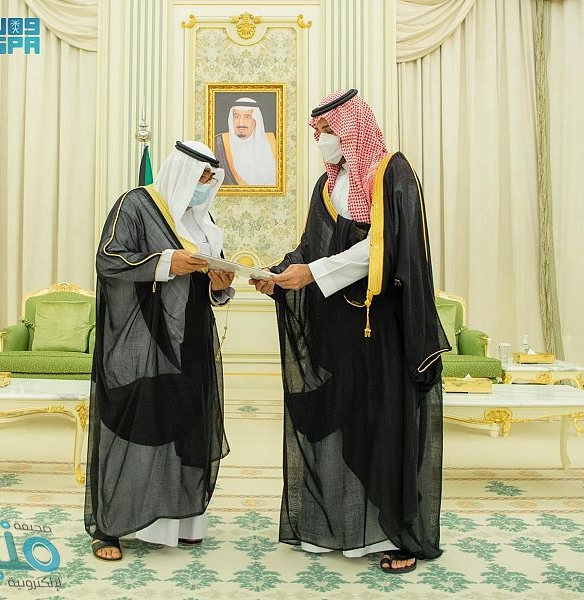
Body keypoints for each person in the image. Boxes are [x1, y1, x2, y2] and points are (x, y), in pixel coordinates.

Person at [251, 89, 449, 573]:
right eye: (318, 132)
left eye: (329, 130)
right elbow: (310, 247)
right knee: (342, 423)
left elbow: (386, 244)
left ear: (352, 127)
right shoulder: (328, 184)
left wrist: (314, 273)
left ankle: (396, 534)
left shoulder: (391, 173)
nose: (322, 139)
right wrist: (277, 275)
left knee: (381, 428)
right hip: (338, 330)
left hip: (380, 331)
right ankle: (339, 529)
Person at [84, 140, 234, 561]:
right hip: (144, 340)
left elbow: (214, 282)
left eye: (212, 178)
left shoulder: (202, 221)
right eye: (202, 177)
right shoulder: (136, 204)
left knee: (186, 425)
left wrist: (221, 287)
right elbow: (109, 259)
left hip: (192, 340)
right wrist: (167, 262)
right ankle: (111, 527)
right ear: (182, 172)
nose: (206, 185)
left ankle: (182, 521)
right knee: (137, 426)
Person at [214, 97, 277, 185]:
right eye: (236, 117)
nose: (241, 123)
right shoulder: (218, 144)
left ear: (256, 120)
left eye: (247, 117)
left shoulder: (274, 142)